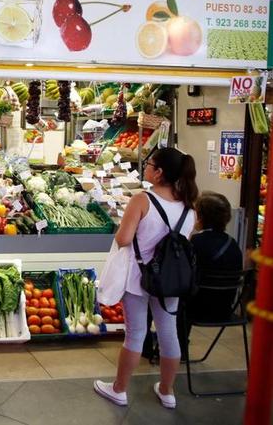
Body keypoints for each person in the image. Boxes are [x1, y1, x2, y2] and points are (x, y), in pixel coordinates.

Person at [94, 147, 198, 410]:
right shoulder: (189, 207)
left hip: (139, 279)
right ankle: (167, 391)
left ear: (160, 172)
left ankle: (119, 389)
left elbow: (123, 239)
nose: (146, 167)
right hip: (171, 281)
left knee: (136, 333)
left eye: (149, 164)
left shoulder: (143, 200)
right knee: (169, 333)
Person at [178, 191, 243, 360]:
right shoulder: (233, 244)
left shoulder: (196, 242)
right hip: (225, 309)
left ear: (200, 217)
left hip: (196, 309)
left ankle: (176, 348)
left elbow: (183, 275)